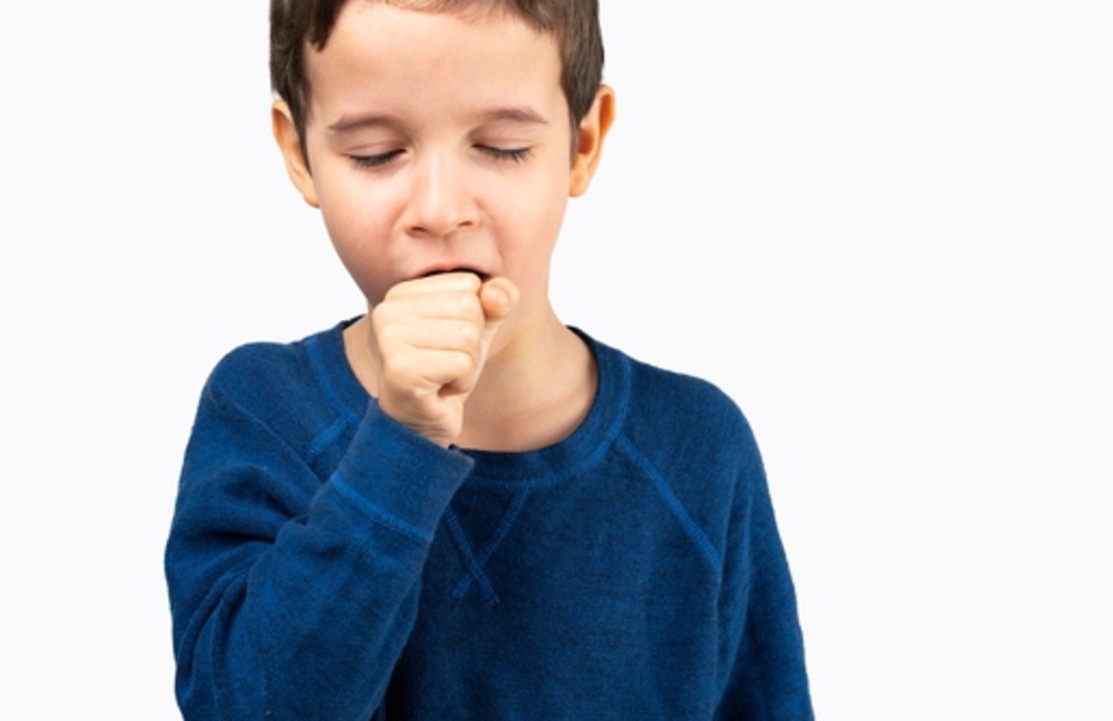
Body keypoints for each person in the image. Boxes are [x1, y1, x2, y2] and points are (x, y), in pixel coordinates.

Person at [165, 0, 814, 718]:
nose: (440, 210)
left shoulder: (698, 448)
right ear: (300, 153)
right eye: (376, 153)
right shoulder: (265, 413)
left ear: (584, 142)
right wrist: (401, 444)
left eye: (503, 147)